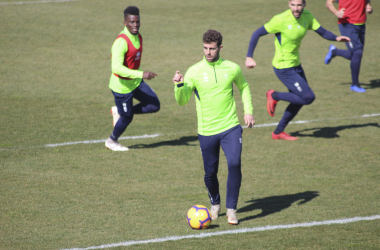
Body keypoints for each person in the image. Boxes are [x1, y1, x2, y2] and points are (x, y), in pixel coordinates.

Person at [173, 30, 255, 225]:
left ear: (220, 48)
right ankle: (215, 203)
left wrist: (248, 110)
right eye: (205, 48)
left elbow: (244, 87)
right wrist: (179, 86)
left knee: (234, 163)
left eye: (212, 48)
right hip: (207, 131)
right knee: (210, 173)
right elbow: (182, 101)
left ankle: (231, 209)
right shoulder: (194, 71)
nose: (208, 52)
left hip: (230, 127)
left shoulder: (232, 68)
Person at [246, 0, 350, 140]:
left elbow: (322, 31)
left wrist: (336, 38)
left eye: (299, 5)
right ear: (289, 4)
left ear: (304, 4)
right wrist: (249, 57)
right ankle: (274, 95)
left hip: (296, 65)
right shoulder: (280, 19)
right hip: (283, 67)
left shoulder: (307, 16)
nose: (296, 8)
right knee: (307, 97)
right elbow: (257, 33)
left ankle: (278, 132)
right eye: (293, 5)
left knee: (299, 100)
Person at [105, 6, 160, 151]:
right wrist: (142, 74)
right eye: (131, 22)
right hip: (122, 87)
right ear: (125, 22)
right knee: (127, 118)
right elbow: (116, 68)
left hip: (135, 83)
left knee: (154, 105)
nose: (135, 25)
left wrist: (139, 76)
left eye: (137, 21)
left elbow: (132, 62)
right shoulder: (121, 42)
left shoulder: (138, 36)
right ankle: (111, 141)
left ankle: (121, 111)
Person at [324, 0, 373, 93]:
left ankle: (335, 51)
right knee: (357, 53)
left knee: (356, 55)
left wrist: (368, 6)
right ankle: (355, 84)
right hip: (347, 24)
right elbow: (328, 3)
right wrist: (336, 13)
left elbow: (367, 1)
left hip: (361, 24)